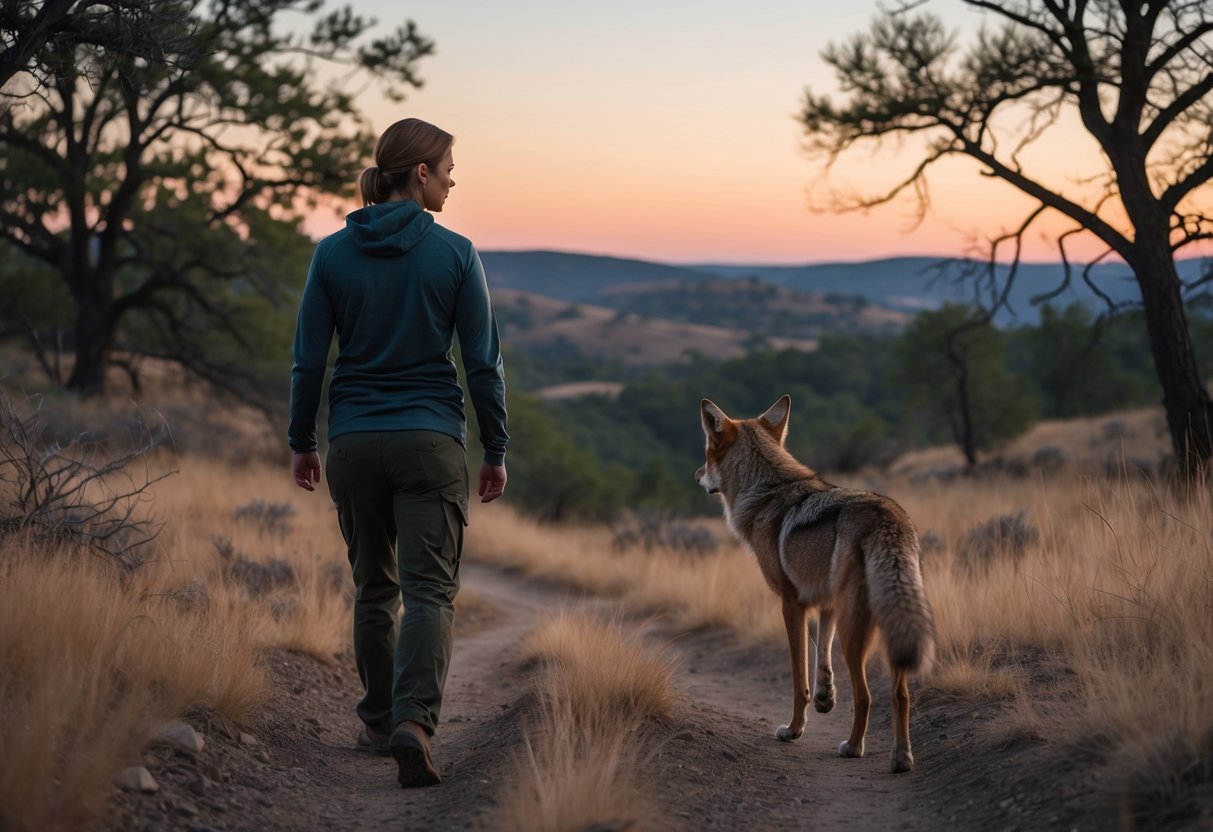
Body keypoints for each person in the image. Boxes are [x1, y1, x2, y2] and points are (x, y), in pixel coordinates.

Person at [287, 117, 509, 788]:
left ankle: (379, 721)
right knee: (430, 591)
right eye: (445, 167)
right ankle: (414, 722)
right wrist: (495, 447)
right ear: (419, 173)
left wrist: (302, 440)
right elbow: (482, 365)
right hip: (429, 441)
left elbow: (306, 363)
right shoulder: (456, 252)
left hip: (353, 441)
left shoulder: (330, 253)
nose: (451, 178)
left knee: (374, 589)